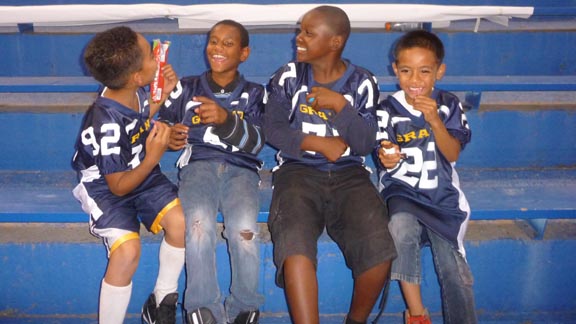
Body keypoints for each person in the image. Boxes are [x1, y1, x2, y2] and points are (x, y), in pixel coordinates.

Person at [264, 6, 397, 324]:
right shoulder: (288, 76)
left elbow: (365, 143)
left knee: (379, 249)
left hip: (350, 175)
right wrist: (318, 143)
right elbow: (273, 129)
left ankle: (356, 320)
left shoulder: (362, 81)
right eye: (300, 30)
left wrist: (340, 106)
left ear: (335, 41)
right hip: (296, 172)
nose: (298, 37)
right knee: (294, 248)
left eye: (308, 33)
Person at [71, 26, 185, 324]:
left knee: (181, 224)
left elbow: (140, 116)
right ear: (136, 76)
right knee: (127, 252)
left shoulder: (130, 90)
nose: (156, 56)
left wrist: (164, 96)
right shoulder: (105, 122)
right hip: (105, 185)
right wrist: (153, 157)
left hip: (138, 168)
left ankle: (162, 298)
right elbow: (119, 187)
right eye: (150, 55)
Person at [158, 20, 265, 324]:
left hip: (242, 171)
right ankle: (202, 305)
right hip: (198, 167)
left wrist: (225, 119)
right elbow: (161, 127)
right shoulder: (187, 87)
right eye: (213, 41)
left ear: (244, 53)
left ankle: (245, 305)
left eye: (227, 43)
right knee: (198, 226)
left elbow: (257, 143)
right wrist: (172, 138)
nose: (217, 48)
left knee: (244, 231)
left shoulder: (256, 93)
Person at [374, 30, 477, 324]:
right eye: (406, 71)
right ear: (395, 70)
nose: (415, 80)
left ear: (439, 72)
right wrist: (388, 156)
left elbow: (452, 153)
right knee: (400, 226)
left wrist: (434, 120)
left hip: (441, 196)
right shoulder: (386, 110)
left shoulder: (448, 105)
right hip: (403, 191)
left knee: (452, 266)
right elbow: (385, 154)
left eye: (424, 71)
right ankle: (417, 315)